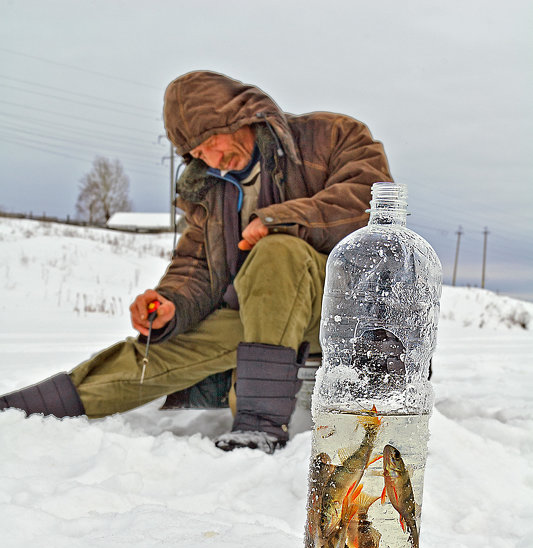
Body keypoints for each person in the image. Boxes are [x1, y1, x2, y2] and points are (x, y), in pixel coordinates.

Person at [0, 70, 393, 453]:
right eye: (198, 153)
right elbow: (196, 264)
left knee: (277, 251)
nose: (212, 158)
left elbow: (368, 200)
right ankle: (25, 409)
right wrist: (171, 301)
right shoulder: (211, 188)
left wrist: (278, 221)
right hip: (263, 317)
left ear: (241, 118)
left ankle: (258, 426)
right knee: (168, 347)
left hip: (341, 308)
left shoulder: (334, 135)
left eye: (211, 142)